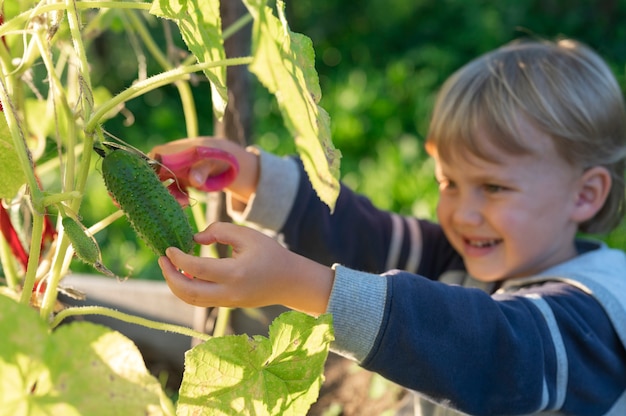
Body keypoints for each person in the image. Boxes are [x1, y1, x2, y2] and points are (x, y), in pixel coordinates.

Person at [152, 38, 626, 415]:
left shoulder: (595, 315)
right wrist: (252, 176)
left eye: (495, 188)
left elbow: (492, 350)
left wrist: (305, 284)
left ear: (586, 194)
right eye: (449, 183)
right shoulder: (465, 255)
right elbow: (370, 237)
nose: (462, 212)